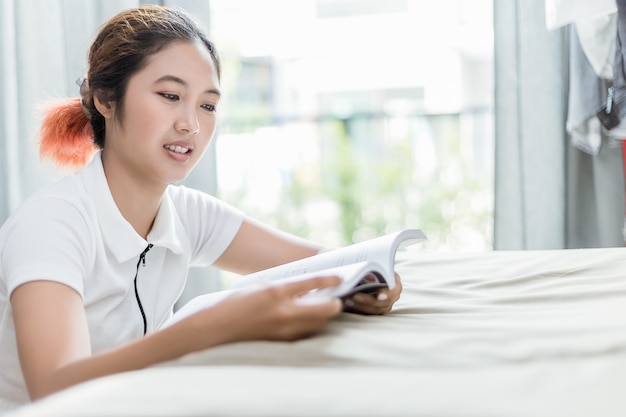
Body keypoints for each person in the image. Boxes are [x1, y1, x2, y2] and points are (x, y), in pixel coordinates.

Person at [0, 5, 402, 413]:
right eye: (170, 96)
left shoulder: (185, 214)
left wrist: (369, 281)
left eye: (207, 105)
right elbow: (54, 388)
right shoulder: (52, 224)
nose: (190, 124)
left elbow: (325, 264)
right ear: (106, 98)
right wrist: (212, 327)